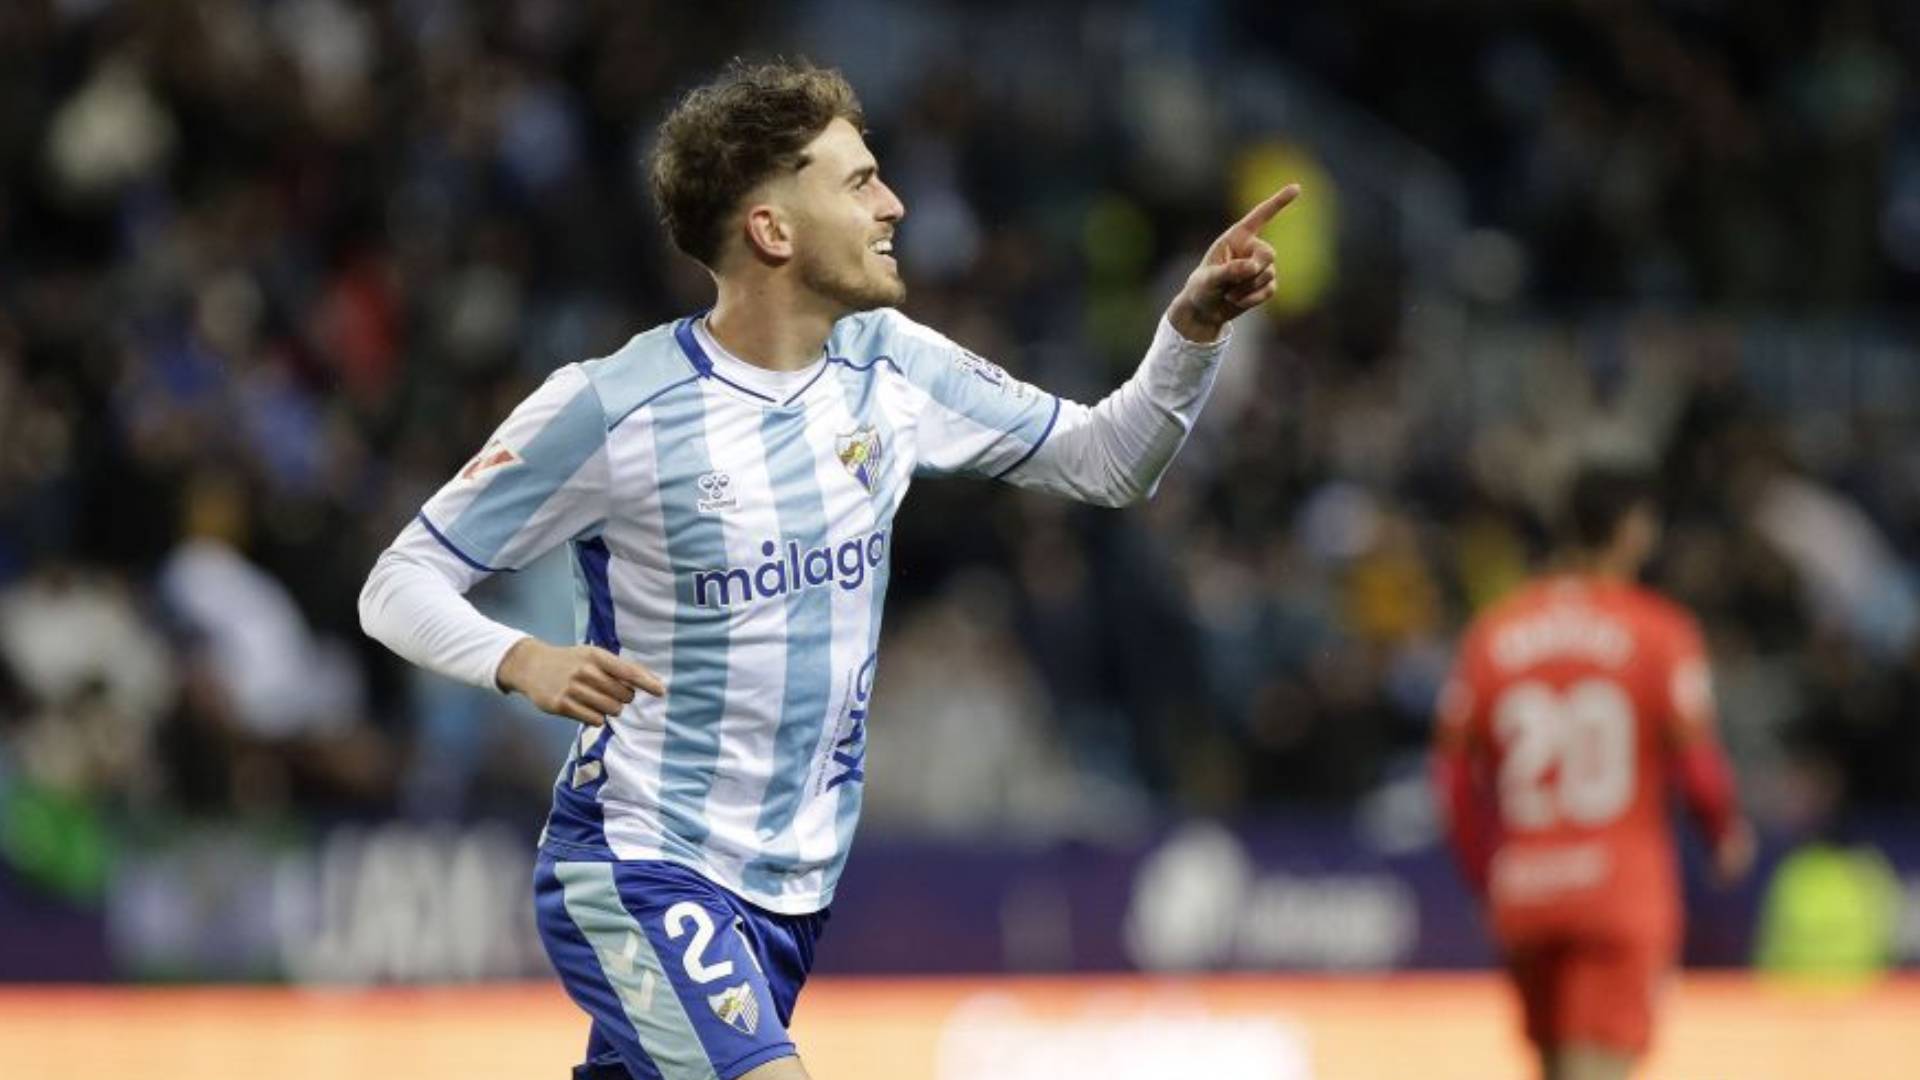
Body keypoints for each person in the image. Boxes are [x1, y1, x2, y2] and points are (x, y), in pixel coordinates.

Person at [359, 59, 1294, 1080]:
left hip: (793, 892)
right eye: (858, 183)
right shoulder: (609, 408)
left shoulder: (890, 365)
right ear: (772, 229)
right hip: (641, 867)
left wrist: (1192, 328)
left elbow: (1107, 462)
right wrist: (520, 657)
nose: (893, 204)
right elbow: (397, 582)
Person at [1431, 464, 1755, 1080]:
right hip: (1619, 892)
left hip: (1526, 889)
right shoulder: (1660, 631)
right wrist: (1722, 833)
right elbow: (1700, 768)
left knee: (1556, 1068)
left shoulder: (1494, 632)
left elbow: (1451, 782)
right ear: (1634, 531)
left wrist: (1486, 875)